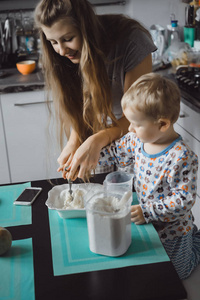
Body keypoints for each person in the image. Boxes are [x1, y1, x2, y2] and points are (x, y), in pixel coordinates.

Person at [34, 0, 156, 181]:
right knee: (97, 193)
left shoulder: (132, 41)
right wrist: (75, 140)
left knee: (135, 197)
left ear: (86, 29)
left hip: (137, 130)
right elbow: (82, 105)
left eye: (68, 39)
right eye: (53, 42)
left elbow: (135, 117)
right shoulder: (62, 57)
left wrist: (99, 139)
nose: (61, 50)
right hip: (99, 130)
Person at [98, 72, 200, 280]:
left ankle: (194, 245)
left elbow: (183, 200)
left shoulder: (181, 157)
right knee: (149, 266)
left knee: (178, 273)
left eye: (136, 123)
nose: (129, 128)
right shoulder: (136, 139)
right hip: (146, 220)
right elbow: (114, 152)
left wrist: (148, 211)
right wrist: (89, 161)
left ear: (162, 124)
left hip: (173, 229)